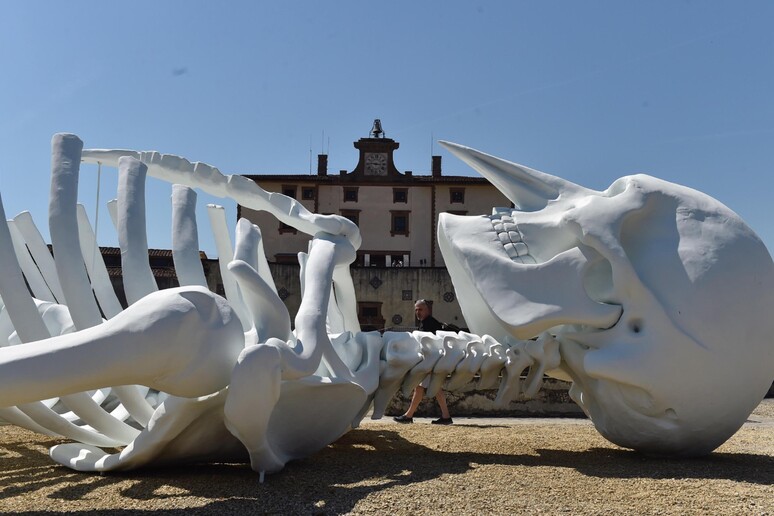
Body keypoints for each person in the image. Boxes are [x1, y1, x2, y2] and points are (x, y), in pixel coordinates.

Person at [393, 299, 453, 425]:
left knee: (420, 388)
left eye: (420, 309)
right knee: (432, 389)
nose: (417, 312)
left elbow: (429, 346)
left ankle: (408, 416)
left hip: (430, 363)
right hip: (430, 363)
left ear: (427, 310)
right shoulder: (425, 323)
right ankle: (446, 417)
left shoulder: (429, 324)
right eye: (416, 310)